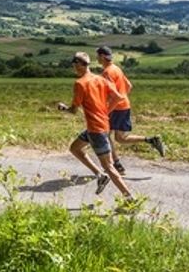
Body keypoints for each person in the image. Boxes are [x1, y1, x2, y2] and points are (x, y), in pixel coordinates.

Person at [56, 52, 134, 199]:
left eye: (74, 64)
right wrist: (105, 110)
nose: (73, 67)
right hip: (102, 124)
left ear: (78, 65)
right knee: (75, 148)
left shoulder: (80, 83)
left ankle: (129, 198)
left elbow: (73, 110)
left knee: (109, 166)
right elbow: (118, 97)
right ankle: (99, 175)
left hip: (95, 130)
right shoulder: (100, 79)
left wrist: (63, 107)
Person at [95, 45, 165, 175]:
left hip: (115, 108)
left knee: (105, 135)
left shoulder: (106, 73)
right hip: (124, 106)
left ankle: (116, 165)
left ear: (102, 57)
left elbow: (115, 93)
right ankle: (151, 140)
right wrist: (122, 97)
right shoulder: (117, 69)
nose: (97, 58)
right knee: (120, 138)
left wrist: (107, 109)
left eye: (98, 56)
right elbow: (128, 86)